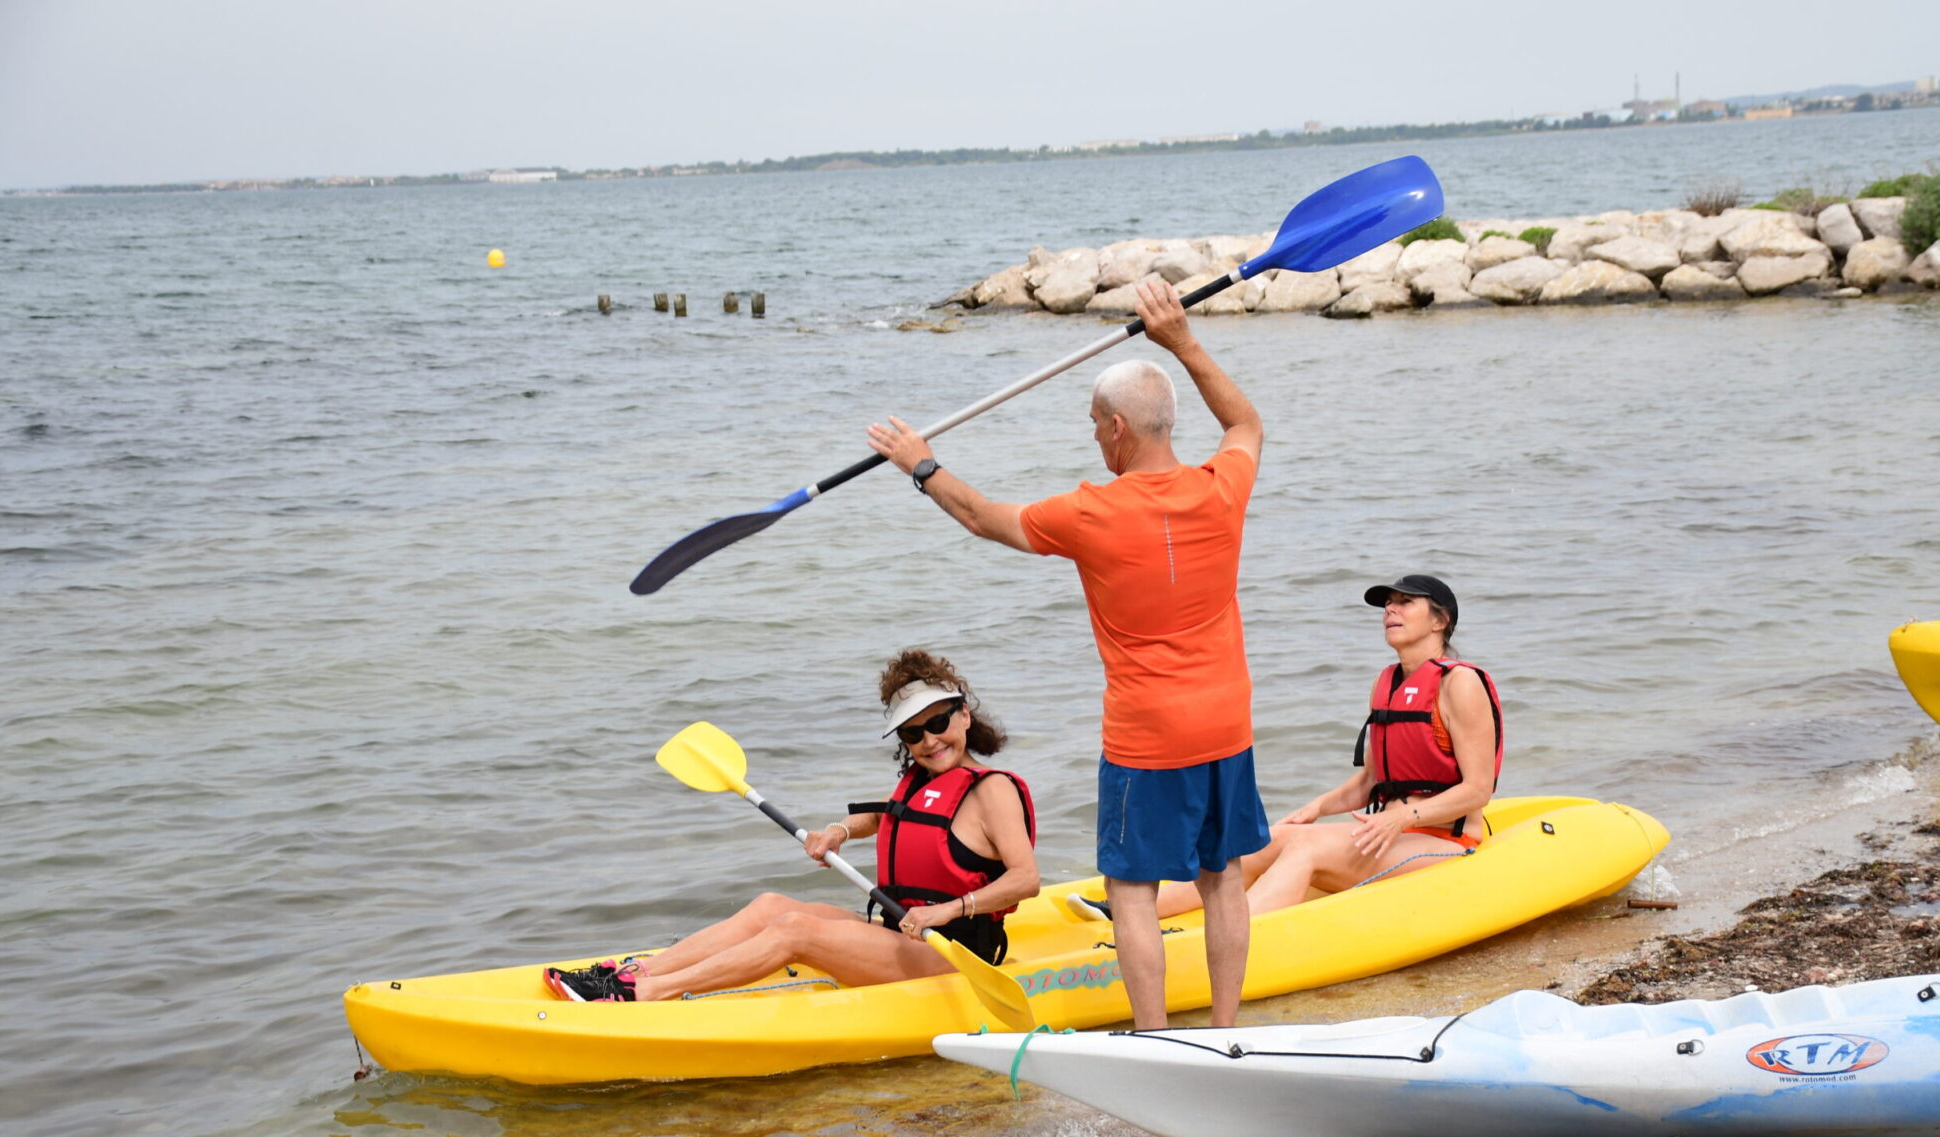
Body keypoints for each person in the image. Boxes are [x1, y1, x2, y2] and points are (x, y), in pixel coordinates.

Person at [866, 278, 1265, 1031]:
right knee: (1224, 878)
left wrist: (919, 463)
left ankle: (1155, 1038)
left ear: (1117, 427)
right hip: (1226, 725)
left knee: (1134, 890)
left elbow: (982, 517)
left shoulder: (1090, 513)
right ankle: (1226, 1031)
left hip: (1148, 737)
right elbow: (1244, 421)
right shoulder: (1223, 489)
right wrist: (1183, 342)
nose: (1091, 437)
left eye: (1092, 424)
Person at [545, 650, 1038, 1002]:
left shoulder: (991, 789)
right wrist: (838, 832)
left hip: (954, 954)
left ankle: (650, 996)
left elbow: (1026, 880)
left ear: (965, 715)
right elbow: (886, 817)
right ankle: (631, 975)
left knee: (795, 929)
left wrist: (946, 912)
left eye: (939, 723)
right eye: (913, 733)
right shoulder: (920, 779)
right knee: (772, 906)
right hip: (900, 933)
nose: (929, 740)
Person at [1142, 573, 1502, 919]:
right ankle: (1139, 914)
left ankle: (1232, 944)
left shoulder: (1460, 683)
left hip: (1447, 843)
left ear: (1440, 621)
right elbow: (1369, 782)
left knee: (1306, 846)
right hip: (1393, 835)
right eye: (1388, 604)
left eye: (1405, 602)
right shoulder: (1387, 682)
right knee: (1269, 839)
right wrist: (1315, 808)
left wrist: (1402, 817)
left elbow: (1478, 789)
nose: (1390, 610)